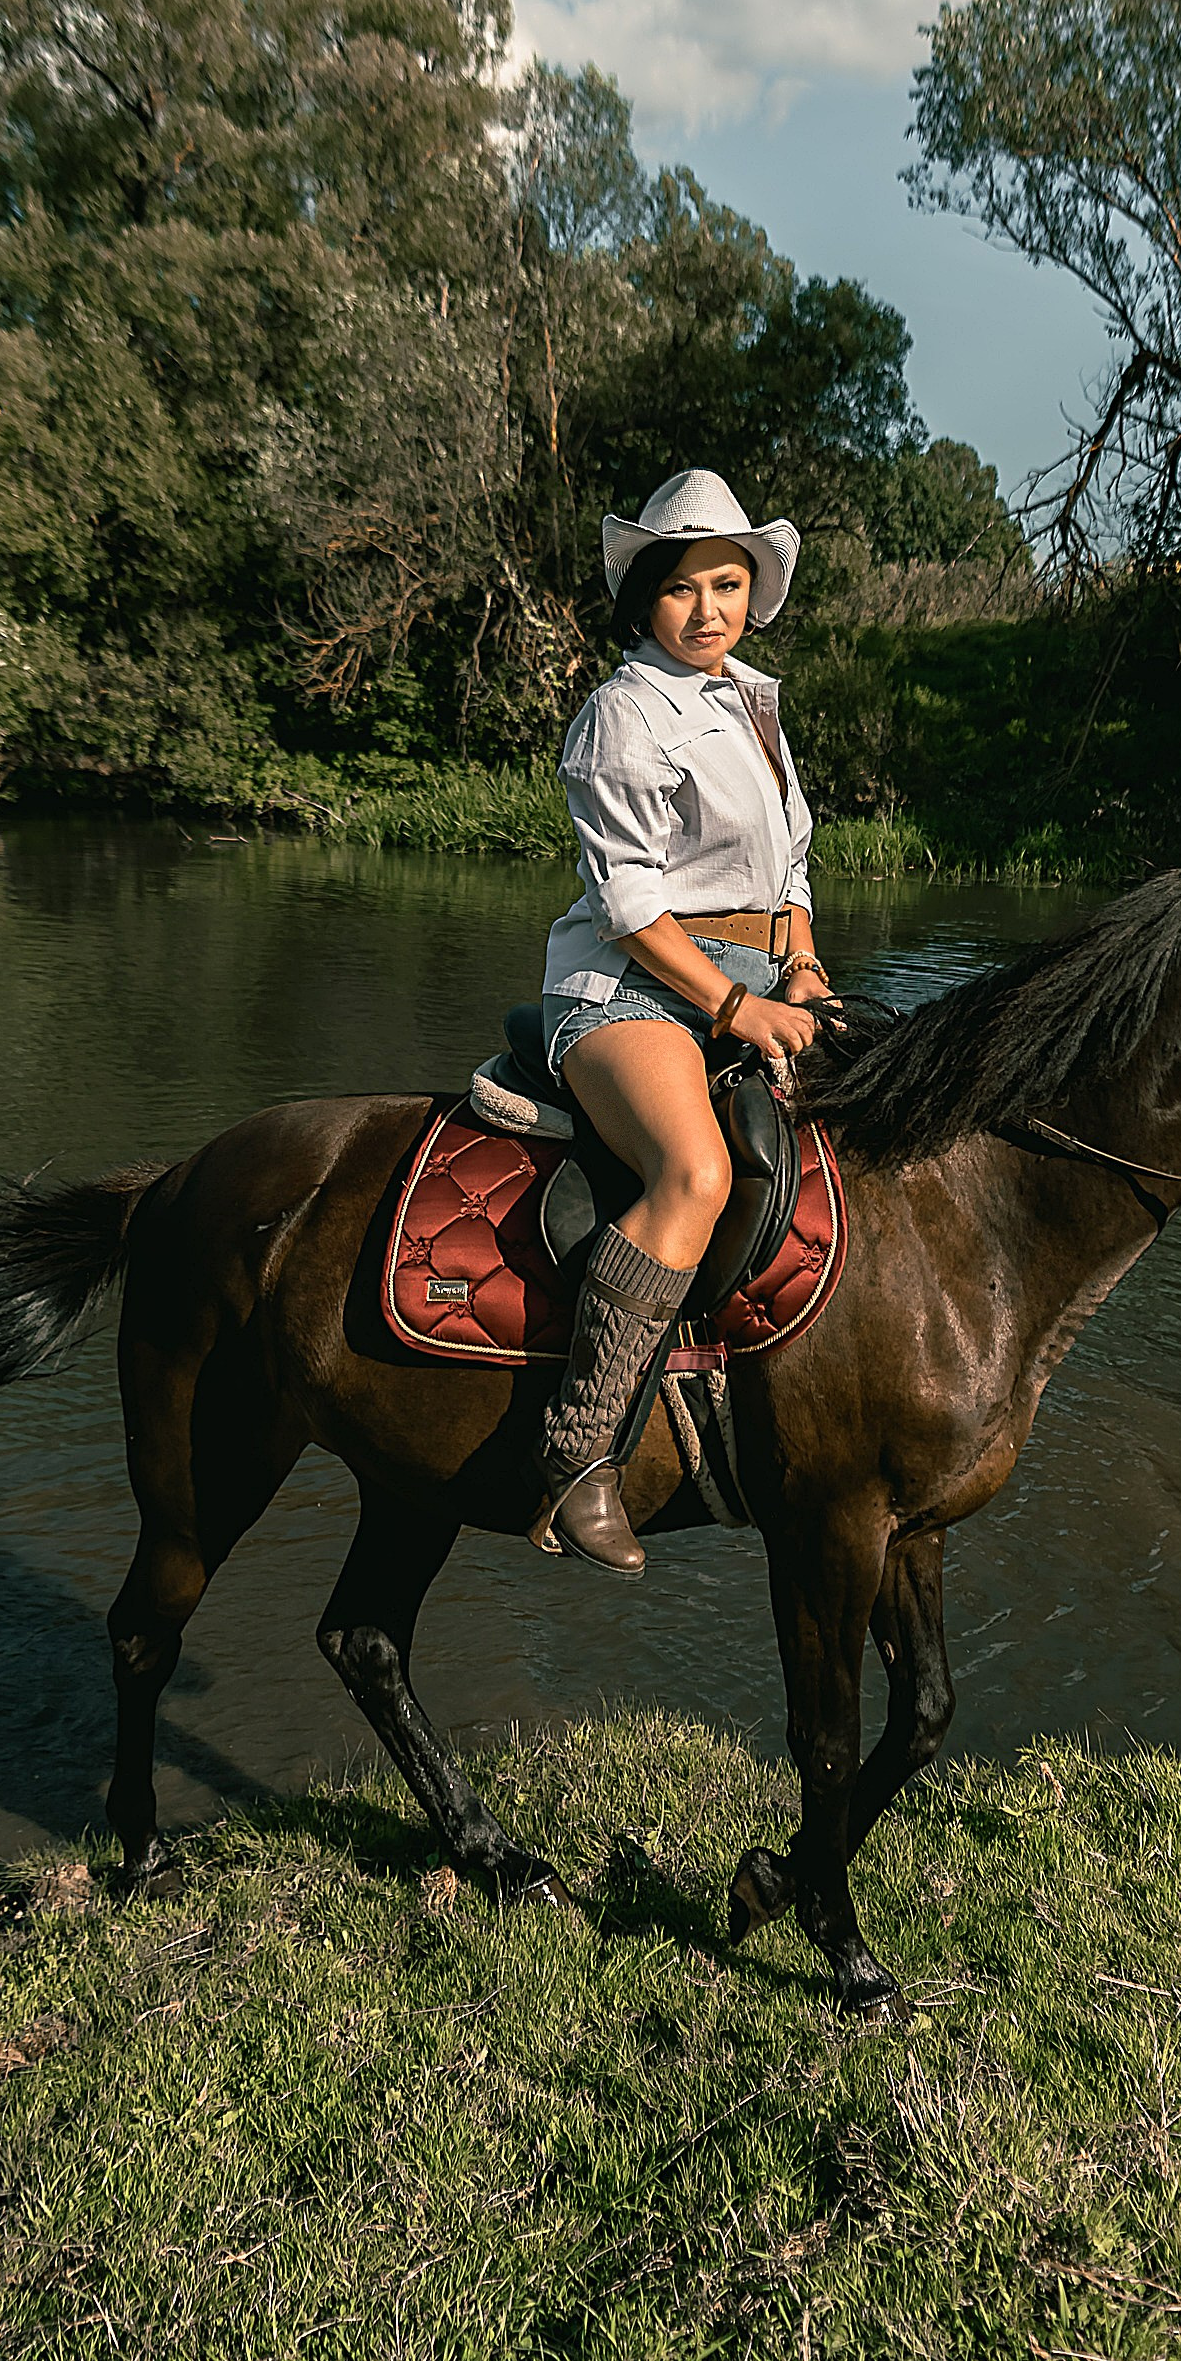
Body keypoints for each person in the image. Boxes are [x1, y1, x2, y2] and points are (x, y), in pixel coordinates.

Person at [533, 468, 835, 1576]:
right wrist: (734, 1003)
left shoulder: (754, 698)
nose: (706, 609)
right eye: (680, 589)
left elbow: (789, 865)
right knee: (695, 1174)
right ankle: (576, 1453)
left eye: (726, 582)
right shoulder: (622, 712)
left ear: (752, 590)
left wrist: (800, 971)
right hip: (630, 990)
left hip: (753, 981)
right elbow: (627, 906)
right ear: (643, 601)